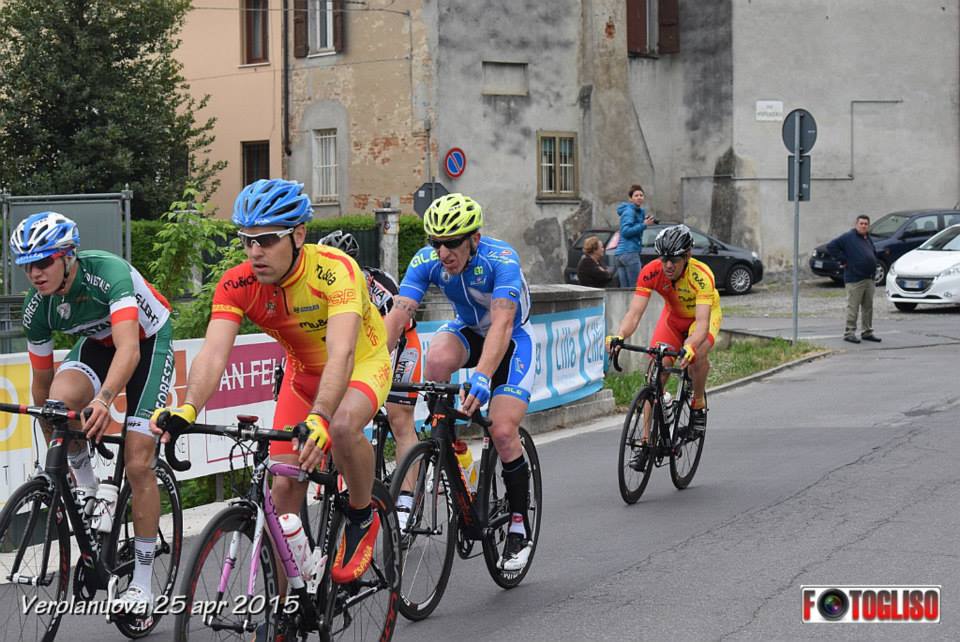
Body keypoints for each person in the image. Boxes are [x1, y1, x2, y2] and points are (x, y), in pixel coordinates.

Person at [149, 180, 392, 614]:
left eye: (266, 240)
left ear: (298, 235)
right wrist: (186, 407)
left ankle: (360, 515)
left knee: (339, 425)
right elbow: (213, 354)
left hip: (360, 367)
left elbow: (341, 354)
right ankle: (288, 606)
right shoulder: (238, 283)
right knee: (283, 487)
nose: (254, 252)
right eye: (246, 240)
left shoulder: (335, 271)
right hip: (303, 379)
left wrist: (319, 417)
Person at [12, 211, 174, 612]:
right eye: (27, 265)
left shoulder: (108, 274)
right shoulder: (37, 308)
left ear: (68, 256)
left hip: (144, 342)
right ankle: (87, 485)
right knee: (56, 404)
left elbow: (129, 349)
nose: (35, 273)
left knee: (137, 463)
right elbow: (42, 384)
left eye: (44, 261)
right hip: (98, 347)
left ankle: (141, 582)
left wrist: (103, 399)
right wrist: (54, 440)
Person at [382, 193, 535, 571]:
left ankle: (519, 523)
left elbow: (501, 324)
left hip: (512, 338)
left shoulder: (501, 260)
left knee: (501, 432)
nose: (443, 252)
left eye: (452, 243)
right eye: (436, 242)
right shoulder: (427, 262)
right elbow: (399, 316)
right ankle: (450, 450)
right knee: (435, 360)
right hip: (467, 329)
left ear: (474, 240)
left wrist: (482, 376)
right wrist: (371, 366)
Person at [317, 230, 421, 526]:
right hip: (357, 349)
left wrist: (375, 383)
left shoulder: (380, 287)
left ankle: (405, 499)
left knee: (400, 419)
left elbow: (390, 336)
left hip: (397, 345)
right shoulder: (322, 287)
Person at [607, 224, 722, 441]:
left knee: (696, 356)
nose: (668, 265)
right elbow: (634, 313)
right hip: (673, 320)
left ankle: (697, 404)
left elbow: (702, 323)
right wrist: (620, 335)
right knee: (655, 376)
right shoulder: (652, 272)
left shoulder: (701, 276)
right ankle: (646, 440)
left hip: (701, 320)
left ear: (687, 256)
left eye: (674, 260)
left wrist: (690, 345)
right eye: (664, 259)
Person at [825, 215, 881, 344]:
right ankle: (849, 332)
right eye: (861, 223)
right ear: (856, 224)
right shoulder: (848, 237)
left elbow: (872, 253)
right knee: (853, 307)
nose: (863, 226)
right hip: (855, 279)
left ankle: (867, 331)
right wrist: (844, 260)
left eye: (866, 224)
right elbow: (831, 247)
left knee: (868, 307)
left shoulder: (867, 238)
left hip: (869, 278)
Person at [613, 184, 655, 289]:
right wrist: (644, 224)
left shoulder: (635, 211)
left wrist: (643, 220)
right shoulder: (629, 211)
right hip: (629, 253)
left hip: (621, 254)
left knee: (625, 290)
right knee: (636, 288)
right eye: (636, 195)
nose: (639, 197)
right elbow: (626, 231)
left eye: (641, 195)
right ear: (630, 199)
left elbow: (632, 225)